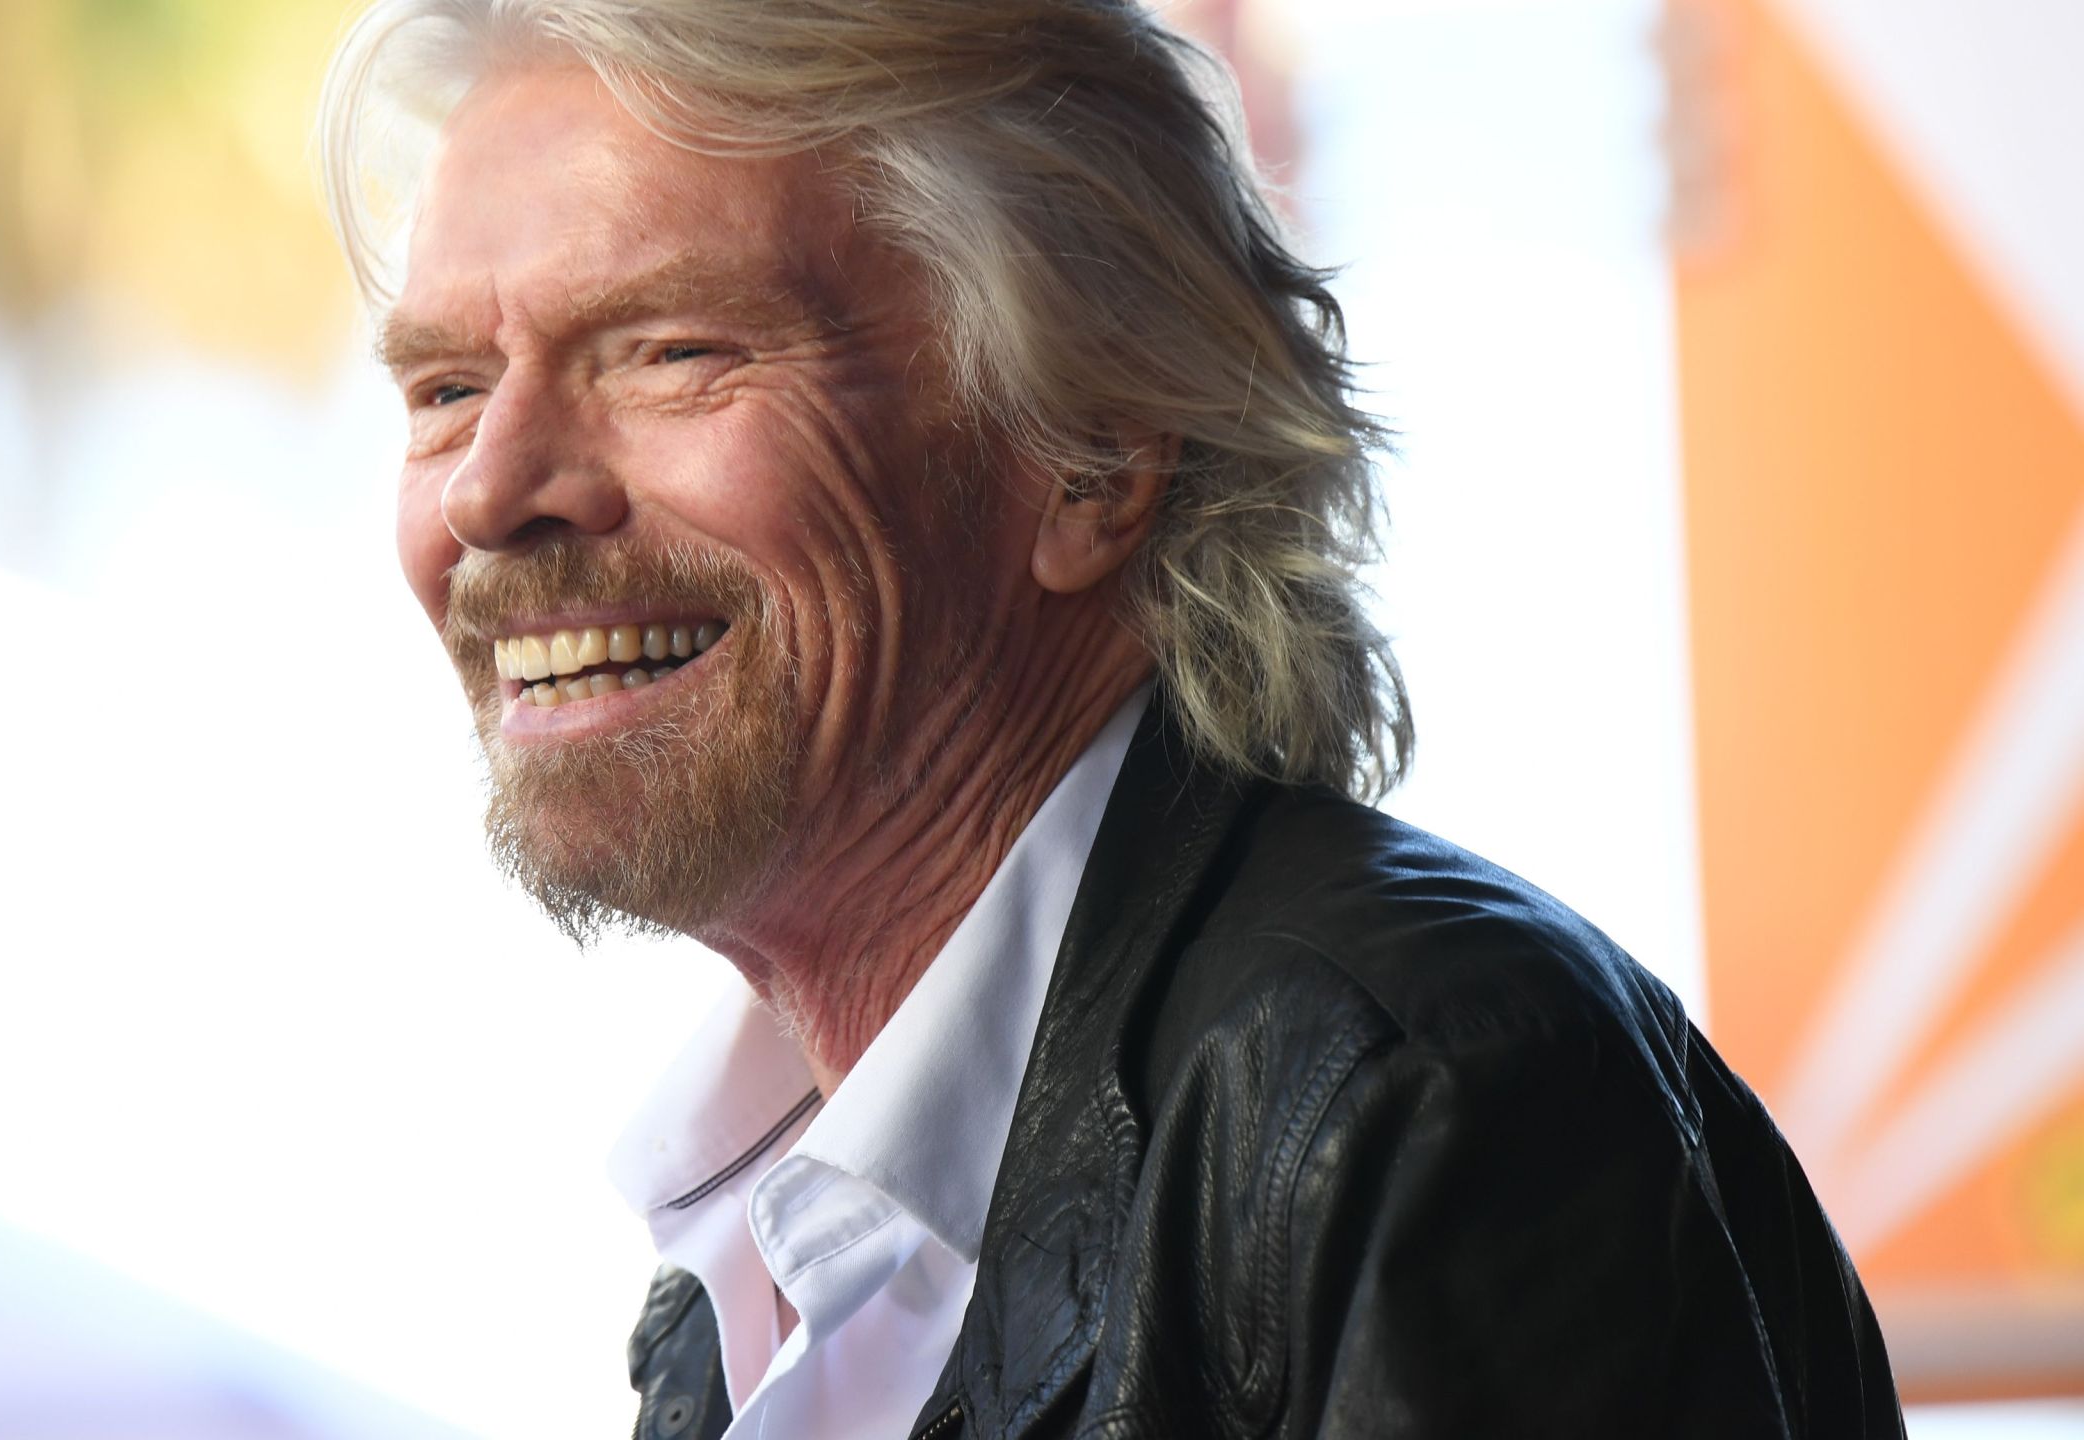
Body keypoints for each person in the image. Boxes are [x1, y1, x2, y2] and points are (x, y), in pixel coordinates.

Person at [318, 2, 1904, 1435]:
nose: (491, 489)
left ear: (1090, 451)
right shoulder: (748, 1257)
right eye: (445, 389)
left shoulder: (1426, 1114)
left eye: (668, 352)